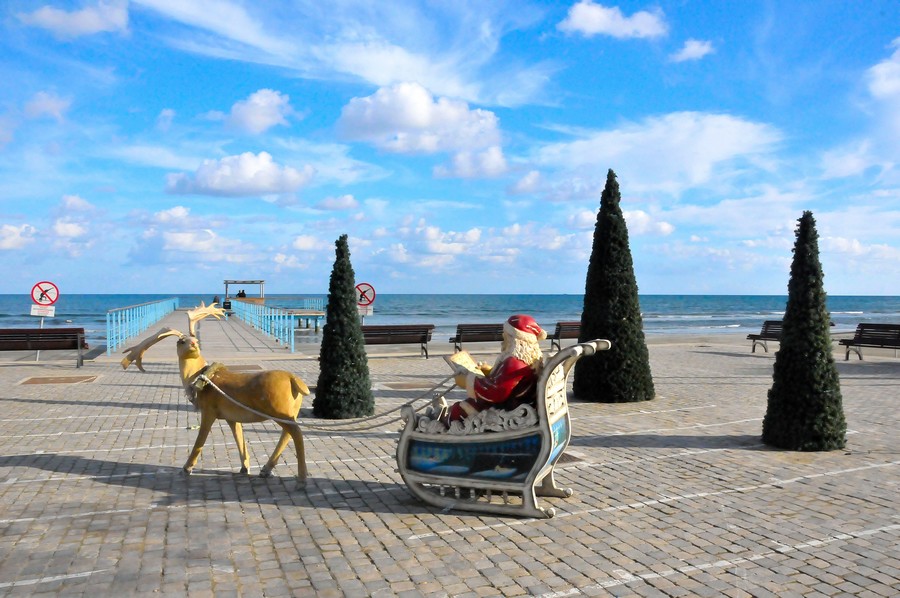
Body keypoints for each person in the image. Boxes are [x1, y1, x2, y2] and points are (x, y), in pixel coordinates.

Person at [445, 314, 546, 423]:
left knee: (458, 410)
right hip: (517, 404)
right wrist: (489, 371)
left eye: (506, 335)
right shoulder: (528, 359)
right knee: (466, 404)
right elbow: (507, 380)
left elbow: (496, 392)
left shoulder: (515, 363)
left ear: (514, 339)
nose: (504, 337)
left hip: (508, 410)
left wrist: (468, 382)